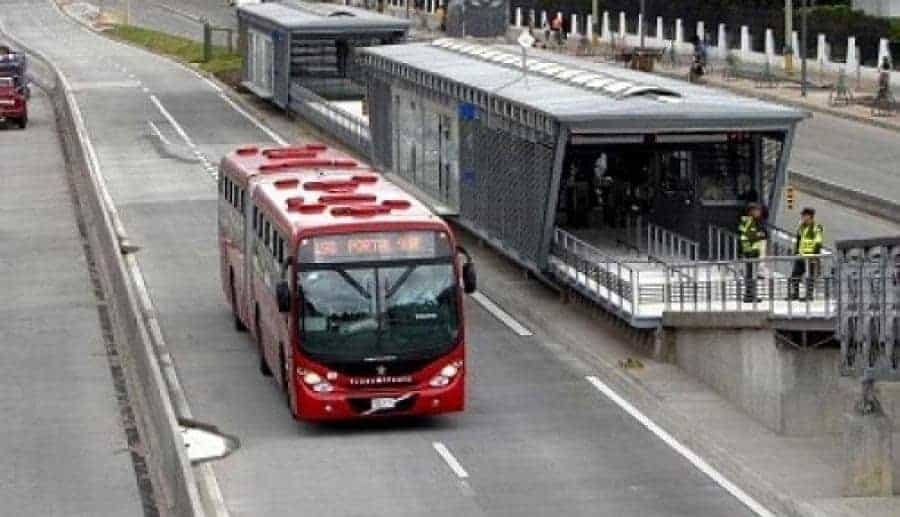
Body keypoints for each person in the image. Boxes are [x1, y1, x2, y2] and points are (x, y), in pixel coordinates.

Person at [788, 207, 824, 301]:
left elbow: (818, 242)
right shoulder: (801, 226)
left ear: (809, 216)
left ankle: (809, 295)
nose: (802, 217)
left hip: (810, 256)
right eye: (802, 215)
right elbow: (799, 240)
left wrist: (814, 256)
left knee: (810, 277)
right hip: (801, 255)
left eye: (804, 215)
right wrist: (796, 252)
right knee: (794, 276)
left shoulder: (817, 227)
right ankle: (795, 294)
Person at [738, 204, 766, 302]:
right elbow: (751, 236)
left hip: (753, 251)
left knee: (752, 275)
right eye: (757, 210)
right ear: (751, 212)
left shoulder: (755, 222)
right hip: (750, 252)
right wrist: (759, 234)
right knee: (751, 275)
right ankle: (750, 295)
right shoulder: (748, 222)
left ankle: (750, 294)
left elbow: (762, 233)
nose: (759, 212)